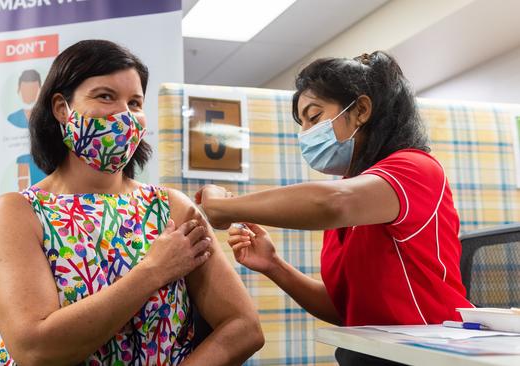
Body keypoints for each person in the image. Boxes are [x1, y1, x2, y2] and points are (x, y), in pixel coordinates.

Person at [0, 40, 263, 366]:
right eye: (105, 96)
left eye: (135, 103)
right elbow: (35, 350)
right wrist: (152, 271)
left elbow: (244, 327)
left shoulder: (170, 207)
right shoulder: (18, 213)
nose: (125, 115)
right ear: (62, 108)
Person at [196, 51, 473, 366]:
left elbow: (331, 202)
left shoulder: (415, 169)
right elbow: (345, 309)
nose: (305, 134)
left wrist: (225, 207)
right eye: (301, 124)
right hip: (372, 354)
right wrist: (274, 265)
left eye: (314, 117)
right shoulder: (352, 199)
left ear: (362, 110)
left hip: (432, 353)